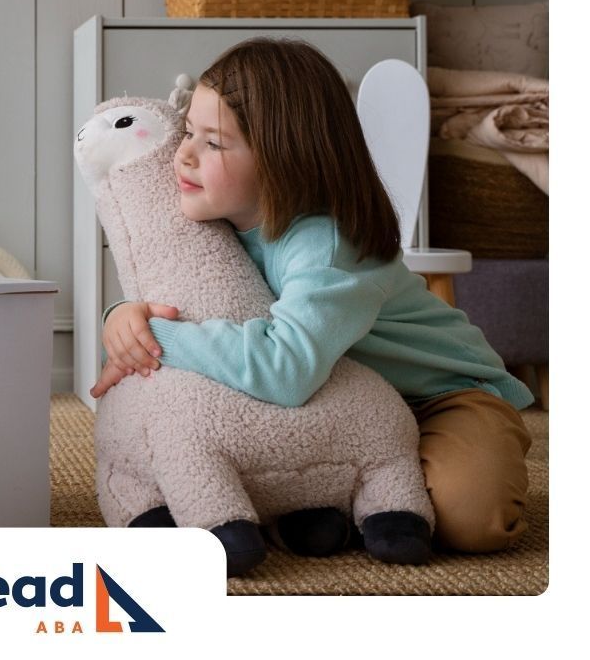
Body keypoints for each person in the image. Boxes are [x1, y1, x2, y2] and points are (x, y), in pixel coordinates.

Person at [90, 37, 533, 555]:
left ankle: (389, 476)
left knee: (470, 518)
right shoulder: (218, 219)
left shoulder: (325, 244)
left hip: (439, 396)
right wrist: (125, 316)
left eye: (212, 143)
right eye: (188, 131)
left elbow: (285, 368)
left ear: (285, 158)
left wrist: (159, 338)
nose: (182, 155)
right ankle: (348, 488)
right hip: (340, 402)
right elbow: (181, 296)